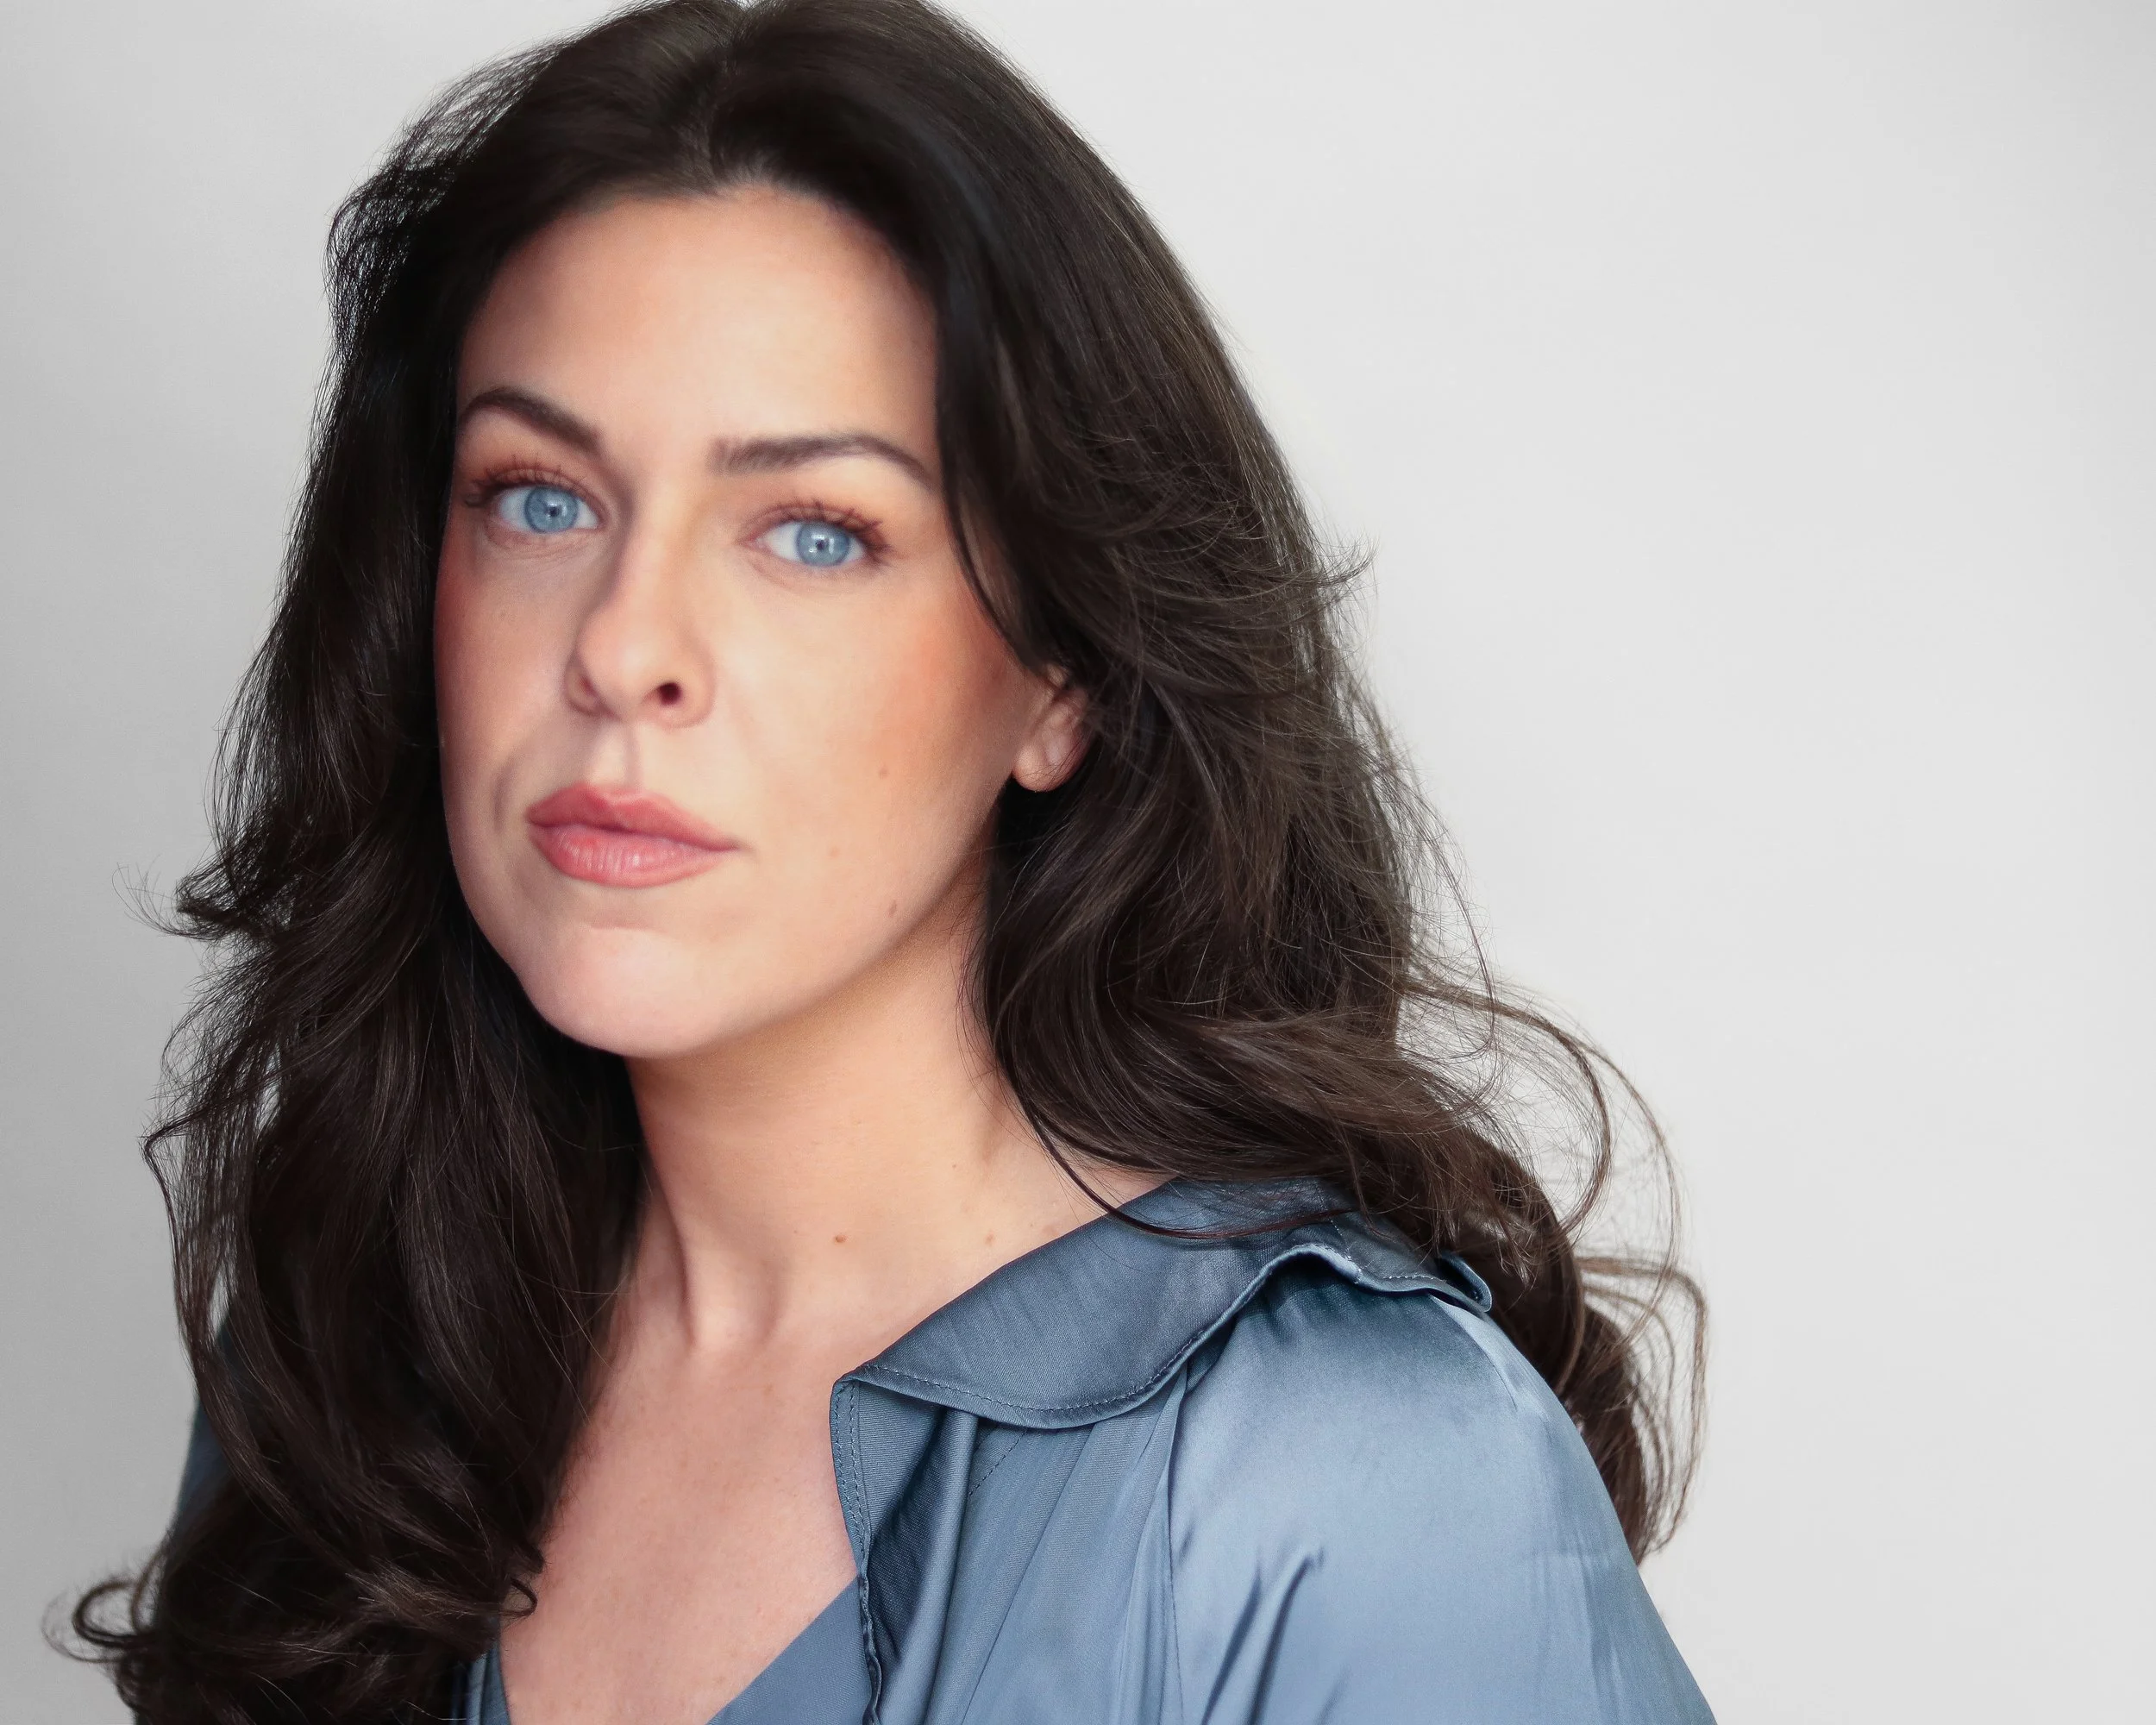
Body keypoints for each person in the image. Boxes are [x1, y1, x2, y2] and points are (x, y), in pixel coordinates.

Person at [72, 1, 1712, 1719]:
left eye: (813, 530)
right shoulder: (364, 1339)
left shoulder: (1351, 1482)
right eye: (540, 496)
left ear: (1058, 677)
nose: (625, 649)